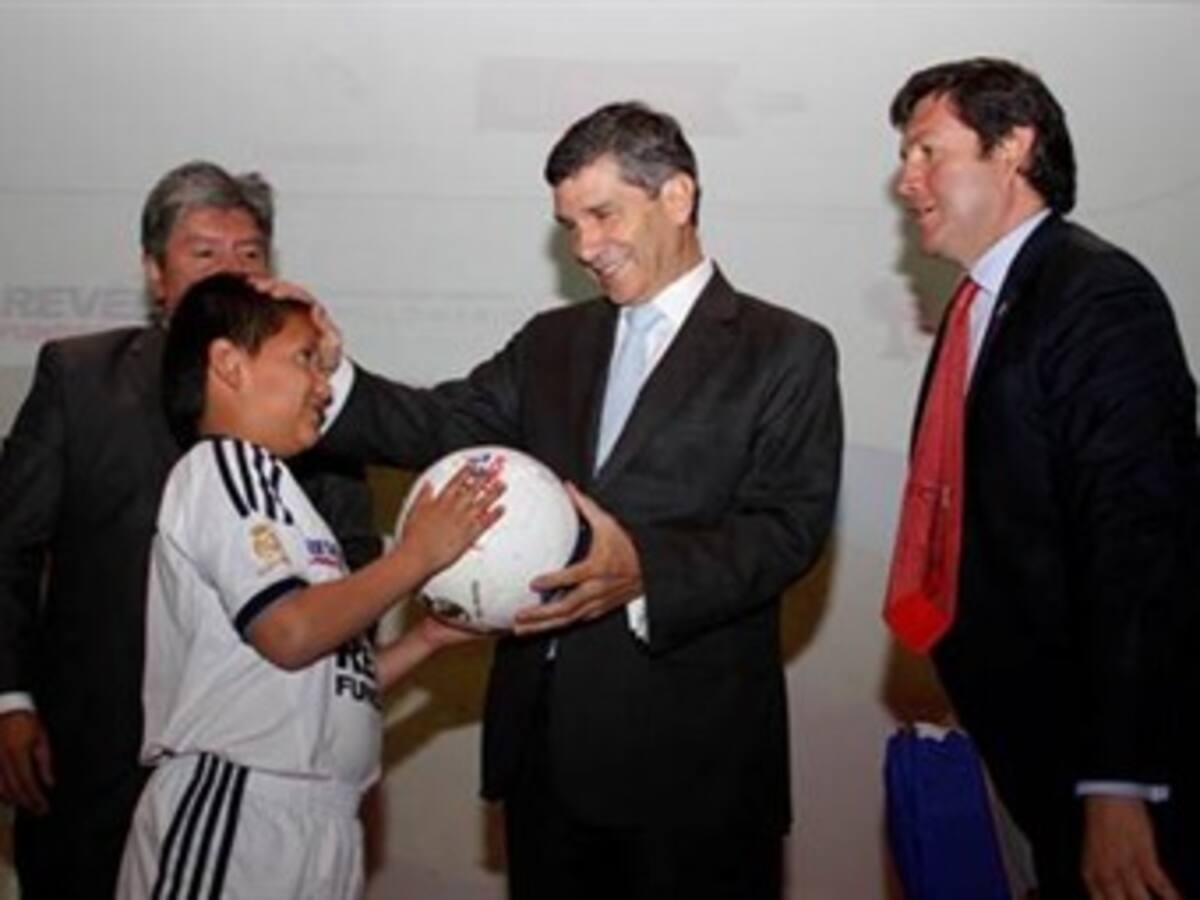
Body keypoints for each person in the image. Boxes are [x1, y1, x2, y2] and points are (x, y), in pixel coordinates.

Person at [319, 101, 843, 898]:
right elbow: (442, 423)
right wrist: (326, 376)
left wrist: (645, 571)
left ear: (677, 196)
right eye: (570, 226)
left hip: (692, 770)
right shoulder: (551, 343)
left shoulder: (786, 350)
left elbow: (787, 528)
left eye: (603, 215)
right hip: (544, 762)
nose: (584, 247)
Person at [0, 161, 379, 898]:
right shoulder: (80, 377)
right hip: (86, 748)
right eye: (204, 253)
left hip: (255, 764)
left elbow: (354, 560)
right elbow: (9, 545)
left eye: (249, 255)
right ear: (155, 273)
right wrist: (10, 700)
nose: (230, 272)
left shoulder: (311, 402)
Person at [885, 57, 1200, 898]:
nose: (906, 179)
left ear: (1012, 146)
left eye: (927, 152)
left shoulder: (1098, 297)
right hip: (1023, 744)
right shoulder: (984, 302)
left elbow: (1137, 550)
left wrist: (1117, 781)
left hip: (1107, 767)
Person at [115, 274, 499, 898]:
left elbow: (326, 676)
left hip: (325, 817)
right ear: (229, 364)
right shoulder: (225, 466)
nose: (323, 386)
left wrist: (425, 640)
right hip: (237, 804)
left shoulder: (288, 499)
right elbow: (289, 633)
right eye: (305, 360)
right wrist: (418, 555)